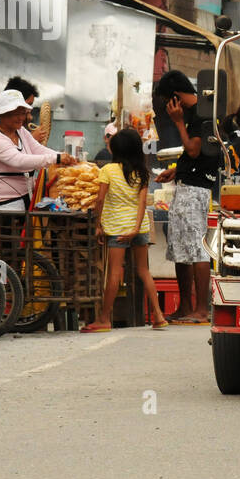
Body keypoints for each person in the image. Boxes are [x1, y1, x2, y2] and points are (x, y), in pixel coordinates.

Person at [83, 128, 167, 333]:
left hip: (117, 227)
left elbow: (100, 199)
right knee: (144, 271)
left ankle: (103, 319)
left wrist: (98, 225)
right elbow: (142, 204)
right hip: (139, 228)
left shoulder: (108, 170)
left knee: (114, 273)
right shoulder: (142, 172)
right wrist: (136, 228)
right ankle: (158, 315)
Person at [155, 71, 218, 324]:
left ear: (175, 98)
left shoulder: (202, 114)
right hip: (186, 185)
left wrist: (178, 122)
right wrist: (176, 170)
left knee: (196, 249)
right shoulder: (197, 113)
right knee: (180, 249)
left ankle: (201, 310)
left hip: (195, 192)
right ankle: (185, 306)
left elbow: (194, 150)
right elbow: (195, 157)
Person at [0, 90, 75, 211]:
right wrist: (56, 158)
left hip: (29, 199)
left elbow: (38, 149)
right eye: (16, 114)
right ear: (2, 114)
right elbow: (19, 161)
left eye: (22, 113)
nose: (21, 118)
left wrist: (65, 156)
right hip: (8, 205)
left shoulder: (21, 131)